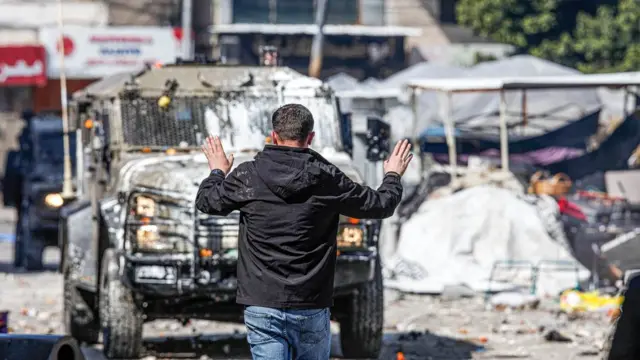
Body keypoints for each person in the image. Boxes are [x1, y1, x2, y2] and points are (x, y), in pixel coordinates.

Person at [196, 103, 413, 360]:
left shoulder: (248, 176)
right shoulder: (327, 178)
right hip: (310, 303)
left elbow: (207, 201)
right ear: (310, 138)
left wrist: (218, 171)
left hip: (261, 303)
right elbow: (380, 205)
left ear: (273, 135)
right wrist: (392, 175)